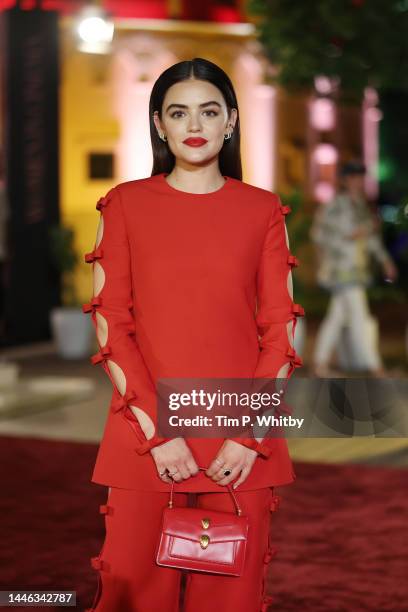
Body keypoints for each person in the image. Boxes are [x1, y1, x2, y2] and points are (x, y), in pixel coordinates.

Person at [84, 58, 304, 612]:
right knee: (134, 598)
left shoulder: (262, 211)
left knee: (227, 603)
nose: (194, 124)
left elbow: (279, 328)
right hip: (144, 438)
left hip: (239, 444)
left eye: (209, 111)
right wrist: (160, 434)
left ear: (231, 120)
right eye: (177, 112)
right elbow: (112, 322)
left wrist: (244, 434)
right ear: (159, 124)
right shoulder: (125, 205)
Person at [310, 160, 398, 378]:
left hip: (356, 269)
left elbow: (370, 239)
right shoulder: (335, 205)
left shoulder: (360, 206)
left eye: (360, 178)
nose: (359, 182)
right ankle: (376, 368)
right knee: (359, 315)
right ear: (346, 180)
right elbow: (319, 234)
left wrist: (385, 261)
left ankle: (319, 364)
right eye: (355, 178)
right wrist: (346, 238)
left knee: (337, 317)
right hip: (341, 270)